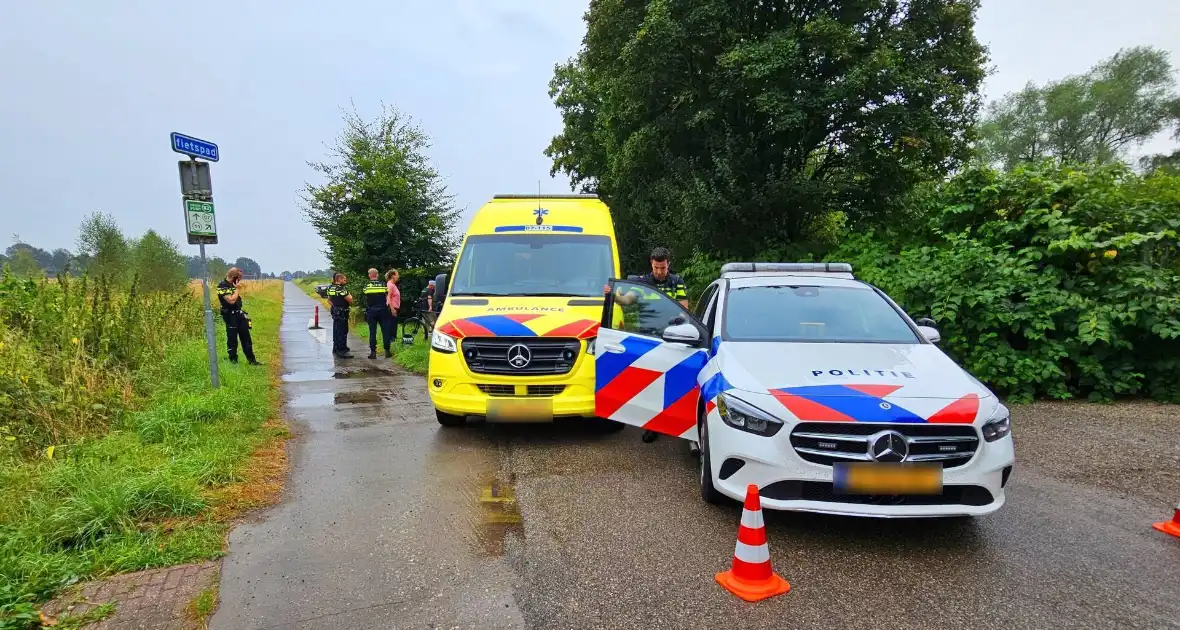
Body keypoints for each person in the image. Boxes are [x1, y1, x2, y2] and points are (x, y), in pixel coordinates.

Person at [605, 248, 690, 444]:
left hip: (673, 339)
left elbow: (684, 309)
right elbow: (626, 300)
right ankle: (652, 426)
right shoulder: (642, 283)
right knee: (648, 385)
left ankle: (674, 423)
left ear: (669, 263)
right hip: (648, 339)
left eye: (663, 267)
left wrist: (676, 323)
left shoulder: (677, 282)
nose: (660, 271)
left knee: (672, 382)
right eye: (656, 267)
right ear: (651, 264)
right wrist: (613, 296)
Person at [216, 267, 262, 365]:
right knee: (232, 340)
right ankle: (233, 361)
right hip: (230, 316)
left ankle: (252, 361)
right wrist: (237, 289)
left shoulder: (233, 285)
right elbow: (231, 300)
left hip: (239, 314)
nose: (240, 281)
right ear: (234, 277)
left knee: (246, 338)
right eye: (239, 278)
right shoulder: (222, 286)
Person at [362, 268, 394, 359]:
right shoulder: (383, 284)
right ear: (377, 275)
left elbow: (365, 294)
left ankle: (373, 352)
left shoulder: (367, 286)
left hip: (371, 311)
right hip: (383, 310)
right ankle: (387, 351)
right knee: (385, 331)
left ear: (369, 275)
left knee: (372, 332)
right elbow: (387, 295)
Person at [325, 272, 354, 358]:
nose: (345, 281)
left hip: (335, 310)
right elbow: (350, 299)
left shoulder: (330, 288)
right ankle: (342, 350)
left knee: (336, 329)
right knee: (343, 330)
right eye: (344, 279)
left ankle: (336, 347)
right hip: (342, 311)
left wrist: (335, 306)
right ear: (339, 279)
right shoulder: (341, 289)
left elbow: (329, 300)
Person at [386, 268, 401, 345]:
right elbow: (388, 297)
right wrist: (392, 309)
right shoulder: (390, 285)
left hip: (395, 307)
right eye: (397, 274)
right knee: (392, 326)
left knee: (394, 325)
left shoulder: (393, 285)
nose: (398, 276)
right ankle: (390, 342)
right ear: (392, 276)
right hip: (392, 308)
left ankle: (393, 342)